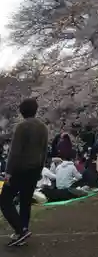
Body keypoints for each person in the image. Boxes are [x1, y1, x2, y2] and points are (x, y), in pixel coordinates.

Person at [0, 98, 49, 246]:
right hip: (34, 170)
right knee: (25, 201)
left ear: (22, 111)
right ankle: (22, 230)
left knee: (4, 200)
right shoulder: (43, 127)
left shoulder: (22, 127)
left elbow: (15, 152)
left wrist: (8, 172)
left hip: (20, 169)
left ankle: (20, 230)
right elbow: (44, 151)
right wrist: (40, 169)